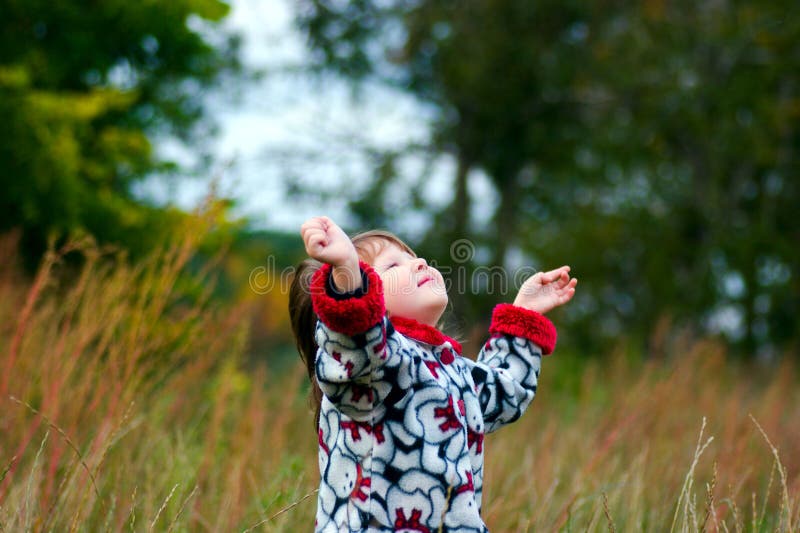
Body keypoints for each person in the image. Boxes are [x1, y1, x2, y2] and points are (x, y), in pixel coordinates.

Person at [289, 216, 577, 532]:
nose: (420, 262)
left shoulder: (450, 369)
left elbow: (504, 393)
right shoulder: (370, 367)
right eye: (393, 265)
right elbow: (355, 338)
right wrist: (346, 271)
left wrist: (525, 314)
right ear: (366, 297)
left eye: (413, 257)